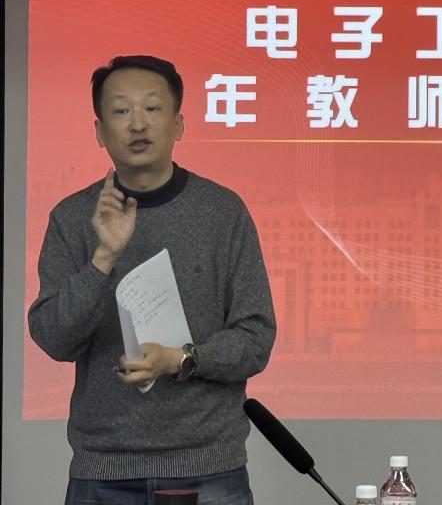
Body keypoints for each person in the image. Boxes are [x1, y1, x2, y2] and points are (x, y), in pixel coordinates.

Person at [28, 55, 276, 505]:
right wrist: (103, 258)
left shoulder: (222, 212)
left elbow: (255, 337)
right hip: (102, 472)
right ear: (100, 131)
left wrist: (182, 359)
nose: (138, 123)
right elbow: (54, 339)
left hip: (208, 470)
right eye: (121, 110)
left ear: (178, 124)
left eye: (152, 108)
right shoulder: (73, 217)